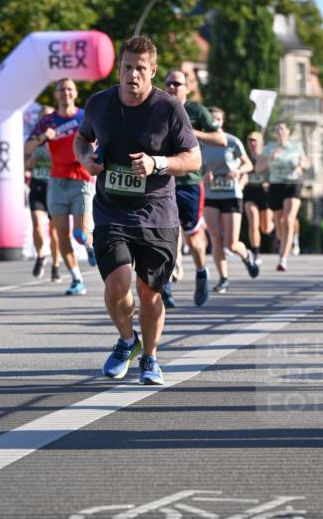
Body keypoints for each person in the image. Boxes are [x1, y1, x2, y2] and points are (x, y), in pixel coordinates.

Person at [74, 36, 200, 385]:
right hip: (111, 210)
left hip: (158, 214)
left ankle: (150, 357)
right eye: (127, 67)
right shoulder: (99, 104)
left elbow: (194, 158)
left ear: (152, 72)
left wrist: (157, 163)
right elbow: (82, 138)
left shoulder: (170, 108)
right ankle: (127, 340)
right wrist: (86, 158)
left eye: (140, 69)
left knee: (150, 291)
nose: (132, 75)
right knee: (118, 284)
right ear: (119, 68)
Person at [25, 79, 95, 296]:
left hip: (81, 177)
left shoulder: (85, 117)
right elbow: (26, 148)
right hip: (56, 180)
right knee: (61, 234)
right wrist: (43, 137)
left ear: (75, 94)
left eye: (70, 89)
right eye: (61, 89)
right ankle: (76, 278)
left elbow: (101, 141)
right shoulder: (48, 120)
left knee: (80, 233)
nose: (66, 92)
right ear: (56, 95)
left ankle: (91, 246)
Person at [163, 69, 226, 307]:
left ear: (187, 88)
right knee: (165, 235)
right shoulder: (157, 107)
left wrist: (193, 131)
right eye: (168, 83)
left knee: (194, 240)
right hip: (163, 180)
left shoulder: (197, 111)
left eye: (177, 84)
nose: (171, 87)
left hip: (189, 182)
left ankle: (201, 271)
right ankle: (165, 286)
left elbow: (220, 139)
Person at [201, 106, 259, 292]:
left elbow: (248, 165)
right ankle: (223, 279)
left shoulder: (231, 141)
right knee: (215, 239)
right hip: (211, 195)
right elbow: (195, 168)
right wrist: (204, 178)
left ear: (222, 122)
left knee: (231, 243)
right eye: (212, 119)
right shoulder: (200, 143)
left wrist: (237, 171)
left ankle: (246, 255)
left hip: (231, 195)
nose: (215, 122)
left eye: (218, 118)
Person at [256, 120, 310, 271]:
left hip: (293, 183)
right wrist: (269, 160)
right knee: (279, 223)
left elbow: (306, 162)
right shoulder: (269, 148)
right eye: (277, 129)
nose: (279, 131)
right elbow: (258, 168)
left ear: (288, 132)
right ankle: (285, 238)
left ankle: (283, 258)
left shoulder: (296, 147)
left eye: (282, 129)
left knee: (288, 219)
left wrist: (302, 165)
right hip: (276, 186)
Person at [26, 105, 61, 282]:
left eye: (48, 117)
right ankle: (41, 256)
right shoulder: (34, 138)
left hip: (55, 187)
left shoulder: (60, 137)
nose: (45, 122)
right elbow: (24, 160)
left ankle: (56, 266)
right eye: (42, 118)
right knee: (38, 226)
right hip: (37, 186)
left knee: (54, 231)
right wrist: (28, 164)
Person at [243, 130, 273, 264]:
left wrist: (269, 181)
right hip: (250, 192)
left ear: (261, 143)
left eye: (255, 140)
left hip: (265, 193)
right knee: (253, 221)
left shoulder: (267, 157)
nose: (252, 143)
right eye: (250, 140)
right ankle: (256, 253)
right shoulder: (244, 157)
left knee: (265, 228)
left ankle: (274, 227)